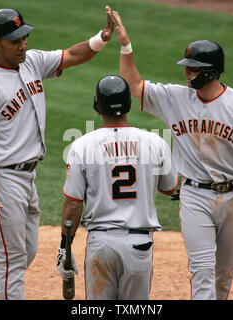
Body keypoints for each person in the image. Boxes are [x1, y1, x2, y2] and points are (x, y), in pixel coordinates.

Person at [112, 11, 233, 300]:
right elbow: (134, 87)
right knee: (202, 271)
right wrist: (125, 45)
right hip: (194, 196)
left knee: (223, 277)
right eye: (187, 67)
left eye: (194, 68)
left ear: (211, 71)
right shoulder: (174, 97)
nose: (187, 73)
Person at [0, 7, 115, 300]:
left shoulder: (33, 62)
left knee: (25, 252)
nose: (23, 45)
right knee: (12, 260)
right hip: (2, 179)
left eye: (24, 38)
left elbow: (74, 55)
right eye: (15, 41)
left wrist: (102, 37)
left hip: (28, 178)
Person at [56, 75, 179, 300]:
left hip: (100, 245)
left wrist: (65, 247)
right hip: (139, 245)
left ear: (97, 105)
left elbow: (73, 204)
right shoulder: (156, 143)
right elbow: (170, 187)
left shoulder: (81, 146)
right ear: (128, 105)